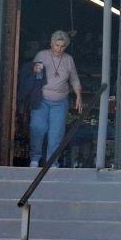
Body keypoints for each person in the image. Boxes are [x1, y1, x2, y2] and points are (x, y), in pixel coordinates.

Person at [28, 30, 83, 167]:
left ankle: (52, 161)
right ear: (51, 44)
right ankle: (35, 158)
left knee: (56, 132)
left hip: (60, 101)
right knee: (37, 127)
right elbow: (31, 75)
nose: (59, 49)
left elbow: (74, 79)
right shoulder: (42, 55)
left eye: (62, 46)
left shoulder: (68, 59)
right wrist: (34, 70)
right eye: (57, 45)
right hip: (42, 99)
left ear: (66, 46)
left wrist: (79, 96)